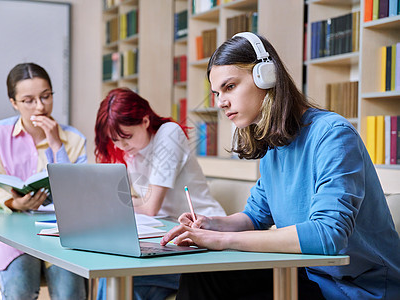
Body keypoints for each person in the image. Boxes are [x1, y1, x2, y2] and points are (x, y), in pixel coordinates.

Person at [160, 32, 400, 300]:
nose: (221, 102)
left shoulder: (333, 134)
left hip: (356, 287)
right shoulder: (275, 144)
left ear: (266, 76)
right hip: (306, 274)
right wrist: (212, 225)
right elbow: (254, 217)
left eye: (230, 87)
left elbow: (328, 236)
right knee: (204, 274)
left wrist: (222, 241)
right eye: (217, 93)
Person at [94, 88, 226, 300]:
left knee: (114, 274)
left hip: (202, 239)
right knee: (132, 290)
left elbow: (150, 207)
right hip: (167, 237)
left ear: (145, 121)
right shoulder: (132, 152)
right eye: (115, 140)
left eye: (127, 137)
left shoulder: (168, 134)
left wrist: (109, 205)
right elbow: (134, 202)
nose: (122, 145)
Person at [0, 63, 88, 299]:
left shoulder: (74, 138)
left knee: (70, 293)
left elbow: (78, 194)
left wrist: (56, 144)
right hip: (14, 237)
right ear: (14, 102)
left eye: (46, 97)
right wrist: (15, 204)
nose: (40, 107)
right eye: (29, 100)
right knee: (20, 289)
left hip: (63, 237)